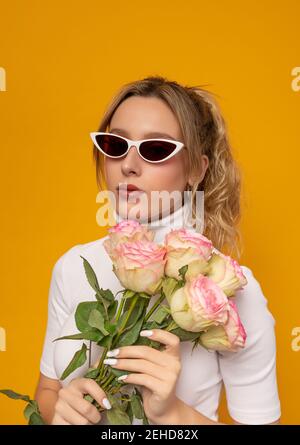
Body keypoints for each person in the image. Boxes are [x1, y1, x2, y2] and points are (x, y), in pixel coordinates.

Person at [34, 76, 281, 425]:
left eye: (155, 150)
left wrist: (173, 414)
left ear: (196, 169)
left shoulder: (227, 290)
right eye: (115, 144)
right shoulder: (74, 265)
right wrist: (63, 406)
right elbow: (46, 393)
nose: (128, 165)